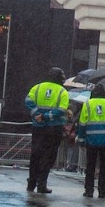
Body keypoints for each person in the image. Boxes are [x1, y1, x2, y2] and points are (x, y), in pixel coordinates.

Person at [25, 67, 71, 195]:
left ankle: (31, 183)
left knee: (35, 155)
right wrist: (47, 116)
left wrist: (37, 115)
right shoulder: (63, 92)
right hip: (53, 128)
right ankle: (42, 184)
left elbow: (28, 101)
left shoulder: (37, 87)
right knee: (48, 156)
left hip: (38, 127)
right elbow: (62, 110)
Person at [80, 92, 105, 198]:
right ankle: (102, 191)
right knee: (104, 167)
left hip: (91, 140)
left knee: (90, 166)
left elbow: (82, 123)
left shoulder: (88, 104)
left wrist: (81, 140)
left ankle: (89, 190)